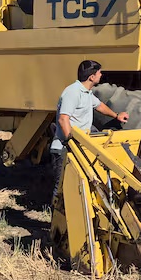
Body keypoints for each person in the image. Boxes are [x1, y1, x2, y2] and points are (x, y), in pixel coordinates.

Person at [51, 60, 129, 201]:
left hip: (77, 147)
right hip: (65, 148)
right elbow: (63, 119)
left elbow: (99, 106)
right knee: (62, 188)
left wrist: (116, 116)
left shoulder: (86, 93)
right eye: (99, 72)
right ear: (91, 77)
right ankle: (55, 220)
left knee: (77, 187)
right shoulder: (72, 92)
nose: (101, 74)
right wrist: (70, 141)